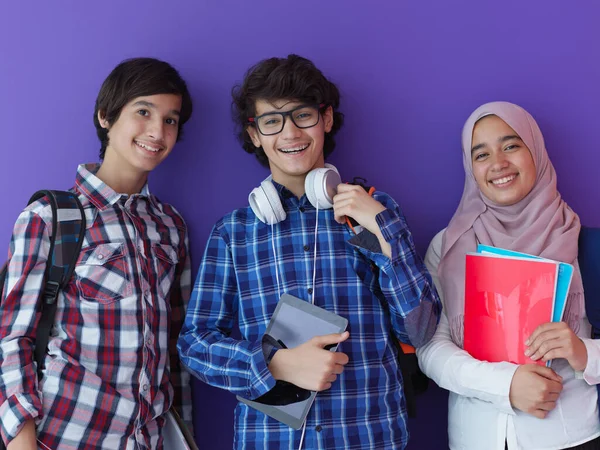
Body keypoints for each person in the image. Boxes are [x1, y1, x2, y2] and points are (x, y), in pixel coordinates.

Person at [178, 54, 441, 449]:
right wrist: (271, 364)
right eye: (271, 121)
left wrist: (386, 233)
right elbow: (193, 343)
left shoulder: (375, 210)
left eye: (302, 115)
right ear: (255, 135)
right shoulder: (234, 232)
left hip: (369, 437)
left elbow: (421, 330)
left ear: (327, 119)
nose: (289, 133)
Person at [0, 57, 194, 449]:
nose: (157, 131)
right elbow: (11, 337)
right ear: (106, 117)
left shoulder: (171, 226)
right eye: (144, 112)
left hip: (149, 440)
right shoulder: (52, 216)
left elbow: (178, 351)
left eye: (171, 120)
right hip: (67, 436)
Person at [417, 101, 600, 449]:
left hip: (571, 435)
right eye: (481, 154)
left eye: (511, 145)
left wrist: (583, 353)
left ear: (536, 151)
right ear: (470, 167)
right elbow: (431, 348)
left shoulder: (583, 243)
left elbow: (586, 353)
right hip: (476, 438)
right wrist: (506, 384)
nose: (498, 163)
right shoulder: (449, 245)